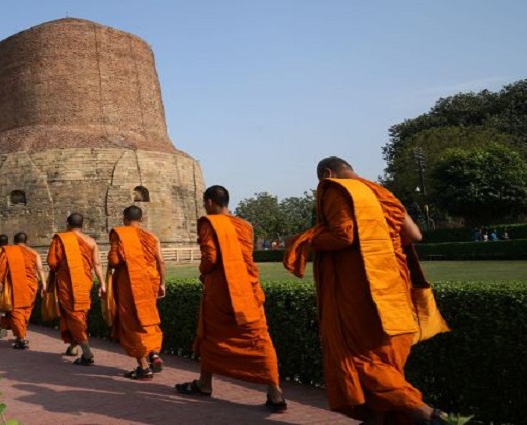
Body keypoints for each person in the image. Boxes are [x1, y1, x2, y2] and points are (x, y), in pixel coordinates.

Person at [283, 156, 451, 424]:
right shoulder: (382, 192)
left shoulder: (335, 189)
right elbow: (415, 235)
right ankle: (376, 419)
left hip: (362, 291)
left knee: (358, 360)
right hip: (394, 290)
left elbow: (342, 236)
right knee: (384, 359)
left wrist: (304, 239)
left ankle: (426, 414)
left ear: (327, 174)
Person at [174, 185, 287, 413]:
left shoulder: (209, 223)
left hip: (221, 292)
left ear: (209, 202)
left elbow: (210, 257)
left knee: (210, 335)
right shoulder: (245, 226)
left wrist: (203, 272)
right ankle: (274, 393)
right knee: (257, 337)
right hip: (247, 289)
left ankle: (205, 384)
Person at [106, 205, 166, 380]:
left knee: (131, 322)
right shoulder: (152, 237)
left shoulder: (120, 234)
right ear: (142, 219)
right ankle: (154, 353)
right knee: (148, 318)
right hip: (150, 282)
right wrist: (162, 283)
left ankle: (144, 367)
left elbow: (115, 260)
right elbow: (161, 262)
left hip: (130, 283)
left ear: (125, 218)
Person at [47, 213, 105, 366]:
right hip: (85, 283)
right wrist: (102, 283)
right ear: (82, 225)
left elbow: (52, 262)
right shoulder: (91, 241)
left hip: (67, 283)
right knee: (79, 314)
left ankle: (86, 352)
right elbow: (97, 264)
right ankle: (73, 346)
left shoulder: (61, 239)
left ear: (67, 224)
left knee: (73, 315)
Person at [0, 232, 45, 349]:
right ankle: (21, 334)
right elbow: (40, 269)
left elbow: (1, 269)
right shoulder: (34, 253)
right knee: (26, 310)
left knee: (17, 311)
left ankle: (21, 338)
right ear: (26, 241)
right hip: (31, 285)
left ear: (14, 241)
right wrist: (44, 284)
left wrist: (0, 283)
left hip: (16, 285)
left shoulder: (9, 251)